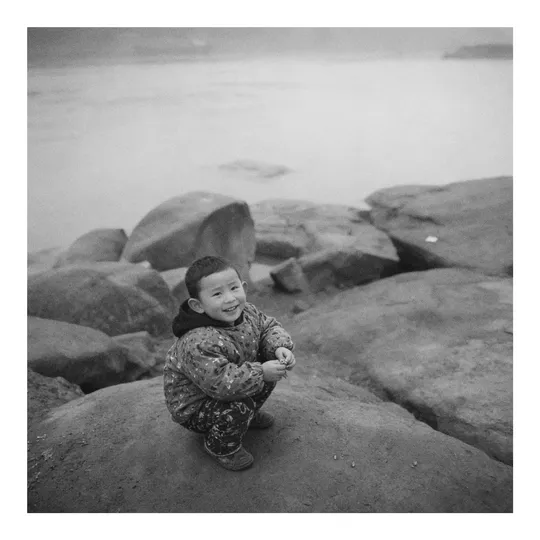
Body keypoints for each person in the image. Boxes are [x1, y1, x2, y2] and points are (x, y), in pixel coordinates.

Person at [163, 255, 296, 471]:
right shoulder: (198, 340)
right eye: (217, 294)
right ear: (198, 305)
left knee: (270, 365)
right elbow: (221, 384)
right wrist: (261, 372)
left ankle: (247, 417)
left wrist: (279, 348)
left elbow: (267, 327)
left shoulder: (247, 312)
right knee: (240, 405)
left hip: (234, 383)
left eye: (234, 288)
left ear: (243, 287)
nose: (230, 299)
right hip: (197, 406)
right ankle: (220, 446)